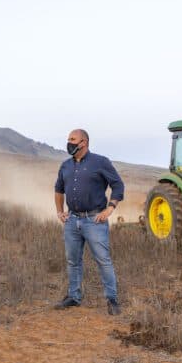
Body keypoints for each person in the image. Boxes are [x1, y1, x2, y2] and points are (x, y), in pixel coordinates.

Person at [54, 129, 125, 315]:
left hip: (94, 220)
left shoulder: (100, 162)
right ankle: (73, 297)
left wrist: (110, 209)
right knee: (73, 261)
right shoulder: (65, 166)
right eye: (68, 138)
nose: (68, 142)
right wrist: (60, 212)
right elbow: (58, 189)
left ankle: (112, 300)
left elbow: (118, 185)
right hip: (72, 220)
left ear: (83, 142)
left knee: (103, 261)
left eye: (72, 139)